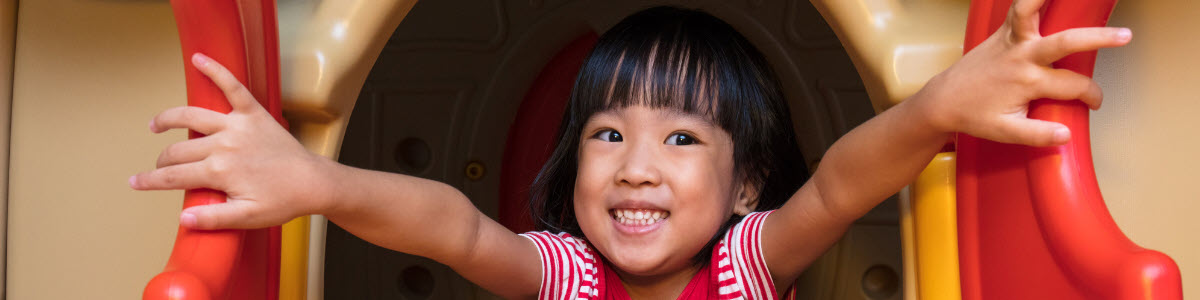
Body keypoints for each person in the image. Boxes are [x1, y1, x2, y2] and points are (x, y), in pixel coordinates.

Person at [130, 0, 1131, 298]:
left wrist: (939, 106)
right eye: (608, 133)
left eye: (682, 137)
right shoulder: (566, 273)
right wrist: (314, 182)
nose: (635, 164)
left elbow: (839, 185)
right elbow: (455, 229)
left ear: (743, 185)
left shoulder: (743, 269)